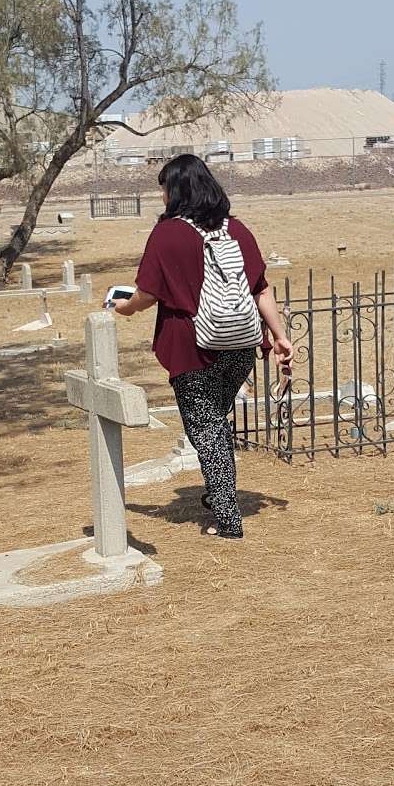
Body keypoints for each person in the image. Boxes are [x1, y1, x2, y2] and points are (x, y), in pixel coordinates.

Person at [114, 153, 293, 539]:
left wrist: (124, 308)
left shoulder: (167, 234)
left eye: (163, 188)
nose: (161, 196)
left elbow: (146, 294)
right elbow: (260, 289)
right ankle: (217, 493)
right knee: (214, 421)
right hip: (240, 345)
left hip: (194, 347)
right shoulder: (237, 229)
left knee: (206, 429)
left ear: (176, 190)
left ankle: (228, 519)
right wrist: (279, 335)